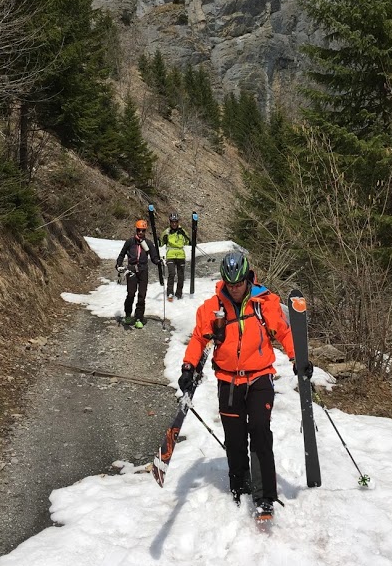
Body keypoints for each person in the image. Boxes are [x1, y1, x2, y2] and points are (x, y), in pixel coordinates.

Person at [178, 250, 312, 521]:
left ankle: (265, 497)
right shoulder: (212, 308)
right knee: (235, 437)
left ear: (248, 278)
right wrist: (188, 366)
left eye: (239, 284)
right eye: (230, 285)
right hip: (227, 380)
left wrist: (298, 357)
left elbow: (284, 332)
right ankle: (239, 483)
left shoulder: (265, 302)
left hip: (260, 376)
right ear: (224, 281)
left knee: (260, 430)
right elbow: (198, 339)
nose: (235, 289)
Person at [115, 219, 161, 328]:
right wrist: (118, 264)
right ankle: (127, 314)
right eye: (139, 230)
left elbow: (154, 257)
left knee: (142, 295)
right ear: (136, 230)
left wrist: (159, 261)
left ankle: (139, 318)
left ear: (145, 231)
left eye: (143, 230)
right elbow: (121, 255)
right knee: (131, 293)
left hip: (143, 271)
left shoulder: (148, 243)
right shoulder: (130, 242)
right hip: (131, 270)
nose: (140, 232)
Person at [160, 211, 190, 301]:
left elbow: (188, 241)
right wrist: (163, 239)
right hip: (171, 255)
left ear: (178, 222)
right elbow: (160, 243)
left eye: (175, 222)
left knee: (181, 276)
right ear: (170, 222)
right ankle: (170, 293)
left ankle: (179, 293)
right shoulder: (167, 231)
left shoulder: (182, 231)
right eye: (172, 222)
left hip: (181, 255)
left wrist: (186, 236)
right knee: (172, 274)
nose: (174, 224)